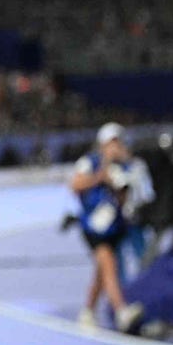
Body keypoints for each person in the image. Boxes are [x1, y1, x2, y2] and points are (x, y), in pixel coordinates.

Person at [71, 123, 146, 332]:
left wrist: (117, 183)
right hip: (93, 227)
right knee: (109, 263)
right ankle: (121, 311)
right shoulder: (90, 162)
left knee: (102, 272)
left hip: (115, 227)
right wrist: (99, 177)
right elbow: (74, 185)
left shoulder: (125, 166)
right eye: (111, 143)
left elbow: (127, 198)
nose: (115, 147)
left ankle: (88, 311)